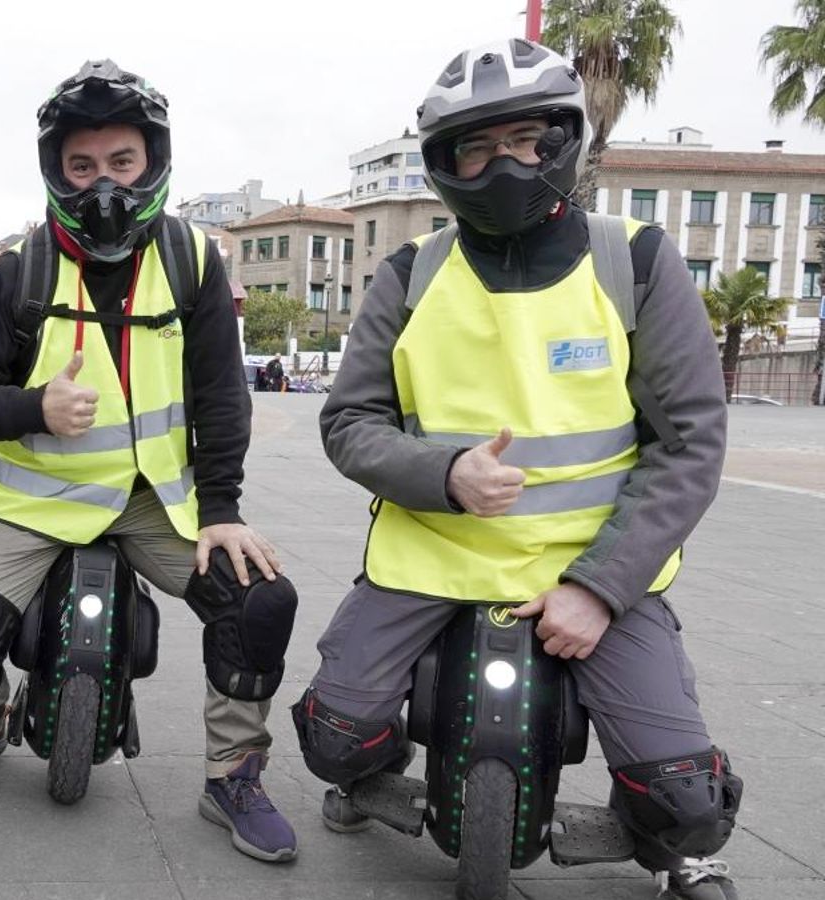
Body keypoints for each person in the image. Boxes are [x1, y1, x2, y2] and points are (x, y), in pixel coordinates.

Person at [294, 39, 739, 899]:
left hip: (595, 564)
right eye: (477, 146)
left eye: (528, 138)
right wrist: (445, 472)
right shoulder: (408, 275)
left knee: (687, 799)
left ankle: (673, 848)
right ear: (444, 164)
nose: (506, 163)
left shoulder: (635, 260)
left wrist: (601, 588)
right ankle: (367, 782)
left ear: (564, 142)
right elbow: (349, 422)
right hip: (433, 553)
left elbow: (690, 442)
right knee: (333, 739)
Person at [0, 60, 301, 863]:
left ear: (152, 163)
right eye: (81, 167)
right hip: (32, 506)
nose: (102, 187)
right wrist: (33, 407)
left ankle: (233, 771)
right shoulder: (20, 271)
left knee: (258, 605)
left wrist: (221, 511)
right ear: (56, 171)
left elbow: (225, 396)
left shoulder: (192, 261)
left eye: (122, 164)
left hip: (158, 501)